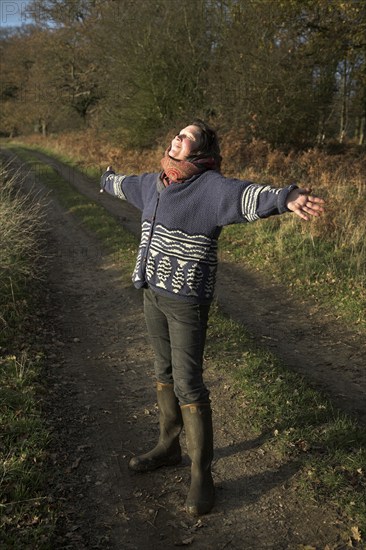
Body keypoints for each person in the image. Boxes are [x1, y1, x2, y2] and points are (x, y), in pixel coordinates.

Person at [100, 119, 324, 516]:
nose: (177, 138)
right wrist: (108, 179)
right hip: (151, 292)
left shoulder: (210, 188)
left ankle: (202, 475)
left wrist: (286, 198)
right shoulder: (156, 183)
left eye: (187, 137)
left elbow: (248, 196)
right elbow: (125, 184)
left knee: (188, 383)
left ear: (200, 151)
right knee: (162, 371)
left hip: (186, 300)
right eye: (177, 133)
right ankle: (169, 447)